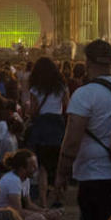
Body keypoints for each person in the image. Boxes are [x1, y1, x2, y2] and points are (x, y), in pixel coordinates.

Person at [56, 40, 111, 220]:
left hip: (95, 174)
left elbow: (72, 141)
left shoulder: (84, 94)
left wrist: (62, 173)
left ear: (87, 62)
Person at [25, 57, 69, 207]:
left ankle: (43, 201)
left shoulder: (35, 89)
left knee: (42, 167)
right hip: (57, 126)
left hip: (42, 126)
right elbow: (67, 107)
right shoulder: (62, 87)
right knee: (58, 165)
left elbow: (32, 111)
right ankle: (57, 197)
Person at [0, 149, 60, 220]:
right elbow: (17, 211)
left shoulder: (25, 179)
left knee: (49, 217)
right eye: (33, 166)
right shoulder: (13, 181)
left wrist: (45, 211)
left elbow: (28, 204)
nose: (36, 169)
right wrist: (44, 215)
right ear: (22, 169)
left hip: (10, 216)